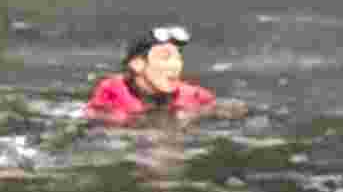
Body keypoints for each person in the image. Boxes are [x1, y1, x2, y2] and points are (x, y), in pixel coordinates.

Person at [88, 25, 244, 122]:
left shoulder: (192, 96)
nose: (175, 66)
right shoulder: (109, 101)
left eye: (178, 58)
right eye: (165, 57)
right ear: (137, 64)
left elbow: (232, 109)